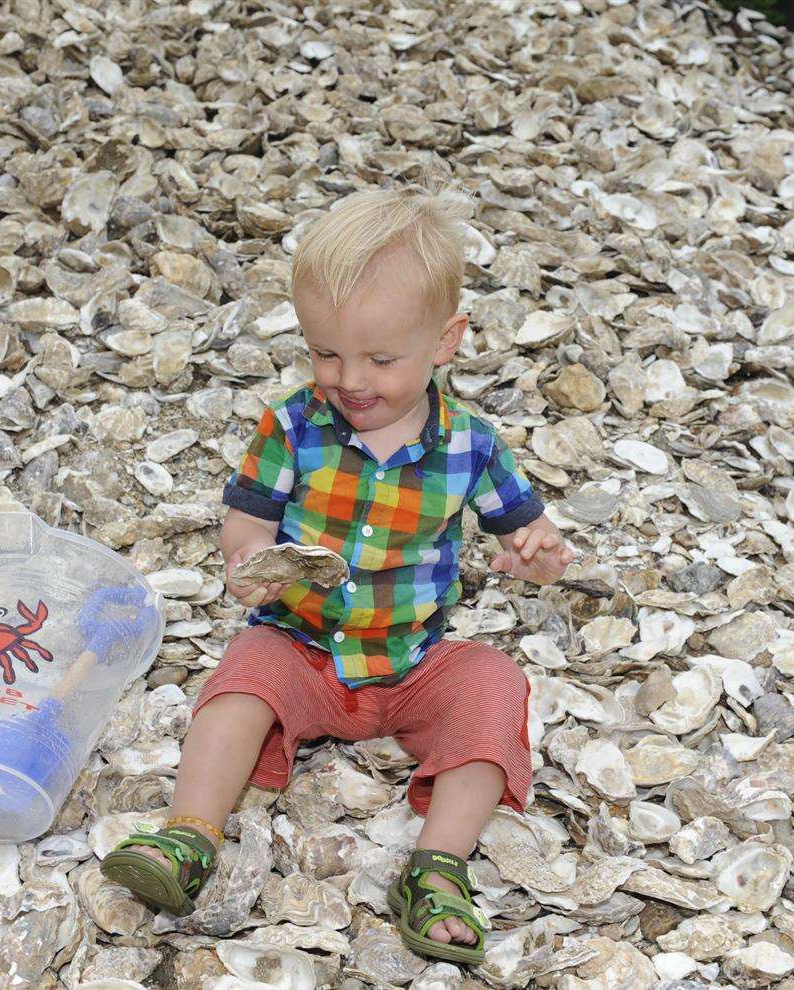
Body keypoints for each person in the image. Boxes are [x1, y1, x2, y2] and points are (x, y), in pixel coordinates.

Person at [100, 187, 576, 965]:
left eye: (381, 360)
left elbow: (527, 532)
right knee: (243, 673)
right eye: (325, 353)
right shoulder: (293, 425)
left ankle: (439, 867)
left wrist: (540, 555)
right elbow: (248, 519)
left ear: (446, 340)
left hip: (413, 662)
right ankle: (187, 836)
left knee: (496, 685)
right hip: (304, 648)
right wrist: (246, 560)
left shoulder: (473, 449)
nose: (349, 378)